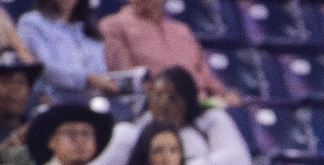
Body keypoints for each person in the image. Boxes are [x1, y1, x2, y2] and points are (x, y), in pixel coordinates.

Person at [89, 65, 251, 165]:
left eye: (173, 98)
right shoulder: (130, 132)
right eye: (158, 95)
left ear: (188, 102)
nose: (163, 104)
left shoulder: (211, 119)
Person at [99, 0, 240, 105]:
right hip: (154, 107)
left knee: (221, 119)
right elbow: (126, 78)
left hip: (198, 104)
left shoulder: (181, 29)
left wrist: (224, 93)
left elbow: (202, 73)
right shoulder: (113, 25)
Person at [18, 0, 121, 104]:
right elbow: (43, 67)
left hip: (94, 100)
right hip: (52, 100)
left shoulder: (87, 27)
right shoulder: (32, 22)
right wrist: (87, 78)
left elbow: (100, 69)